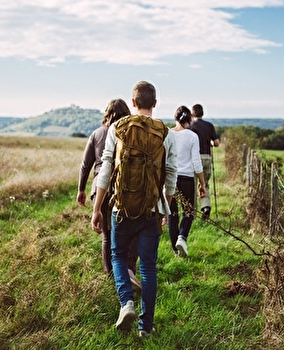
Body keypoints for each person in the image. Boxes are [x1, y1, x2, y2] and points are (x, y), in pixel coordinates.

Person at [91, 81, 177, 337]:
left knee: (117, 256)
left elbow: (106, 170)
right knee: (148, 267)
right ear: (155, 104)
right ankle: (146, 327)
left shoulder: (117, 128)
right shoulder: (166, 133)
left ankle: (126, 302)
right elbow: (170, 175)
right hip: (152, 208)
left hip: (121, 208)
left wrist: (98, 209)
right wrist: (166, 208)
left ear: (133, 103)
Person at [77, 99, 141, 291]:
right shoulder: (130, 133)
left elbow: (85, 165)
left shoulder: (97, 134)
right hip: (125, 187)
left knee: (107, 235)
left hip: (101, 189)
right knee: (130, 232)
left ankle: (111, 277)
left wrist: (81, 189)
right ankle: (129, 270)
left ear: (107, 114)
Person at [168, 106, 206, 257]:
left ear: (175, 118)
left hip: (170, 178)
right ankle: (182, 237)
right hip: (187, 179)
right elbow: (196, 163)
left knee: (172, 214)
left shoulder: (168, 134)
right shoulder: (192, 136)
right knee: (189, 211)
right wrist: (202, 183)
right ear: (189, 119)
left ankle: (175, 250)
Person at [190, 104, 220, 220]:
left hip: (194, 158)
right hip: (207, 157)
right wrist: (211, 143)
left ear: (193, 114)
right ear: (202, 113)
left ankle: (191, 211)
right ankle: (205, 206)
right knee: (204, 184)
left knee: (192, 184)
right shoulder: (209, 125)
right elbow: (216, 143)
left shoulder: (190, 126)